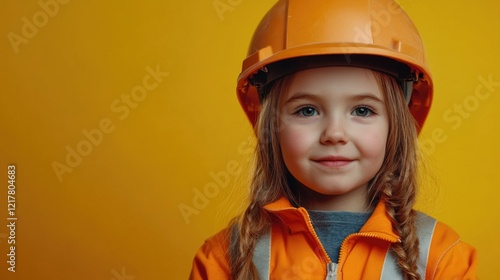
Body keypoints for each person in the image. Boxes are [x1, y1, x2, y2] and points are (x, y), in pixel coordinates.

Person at [190, 0, 478, 279]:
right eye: (307, 110)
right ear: (271, 126)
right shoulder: (223, 260)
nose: (334, 134)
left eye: (362, 110)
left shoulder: (441, 259)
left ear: (397, 126)